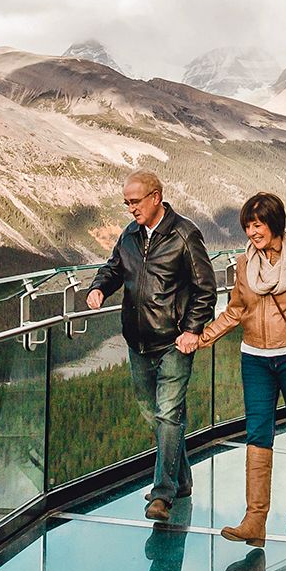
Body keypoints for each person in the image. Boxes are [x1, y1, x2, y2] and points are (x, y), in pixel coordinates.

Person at [196, 193, 286, 545]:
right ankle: (255, 519)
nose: (252, 232)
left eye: (257, 224)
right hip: (254, 358)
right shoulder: (245, 265)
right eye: (247, 226)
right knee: (258, 432)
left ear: (275, 222)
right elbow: (236, 309)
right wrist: (203, 336)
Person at [87, 170, 217, 522]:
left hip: (174, 342)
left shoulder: (184, 234)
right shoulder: (129, 235)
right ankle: (182, 478)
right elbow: (114, 269)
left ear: (155, 197)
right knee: (154, 415)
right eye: (126, 202)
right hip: (137, 343)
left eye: (135, 201)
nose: (130, 209)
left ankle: (162, 495)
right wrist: (98, 287)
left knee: (168, 414)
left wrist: (191, 330)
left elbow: (206, 289)